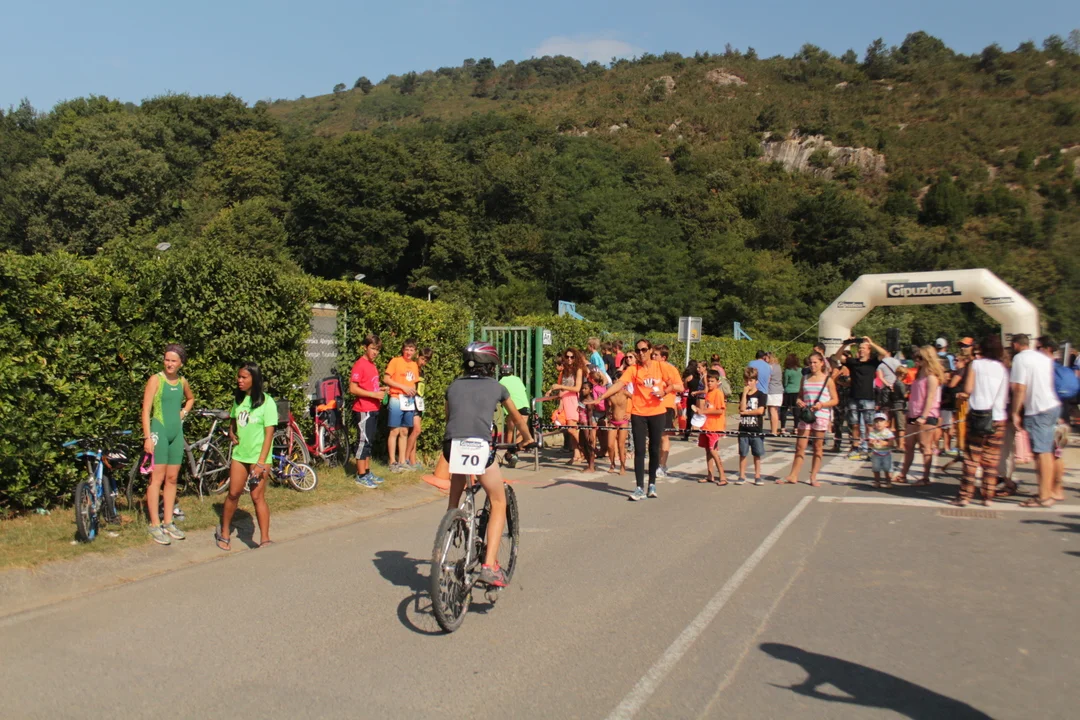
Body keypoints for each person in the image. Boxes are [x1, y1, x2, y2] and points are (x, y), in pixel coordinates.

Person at [444, 342, 534, 587]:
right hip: (478, 447)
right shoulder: (497, 387)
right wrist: (527, 438)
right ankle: (489, 565)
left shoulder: (453, 386)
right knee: (498, 501)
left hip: (452, 445)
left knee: (459, 474)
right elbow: (517, 418)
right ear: (491, 366)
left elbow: (449, 418)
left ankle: (452, 517)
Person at [586, 338, 683, 501]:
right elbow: (619, 384)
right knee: (639, 450)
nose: (641, 353)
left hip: (657, 413)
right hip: (638, 413)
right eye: (638, 350)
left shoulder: (662, 367)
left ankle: (652, 484)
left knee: (654, 449)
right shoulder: (634, 369)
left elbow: (679, 386)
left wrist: (666, 390)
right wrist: (601, 397)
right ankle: (639, 487)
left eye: (644, 350)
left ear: (650, 350)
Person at [217, 362, 277, 550]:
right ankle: (224, 531)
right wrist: (232, 430)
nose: (239, 380)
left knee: (257, 496)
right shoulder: (239, 399)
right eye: (239, 377)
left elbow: (269, 434)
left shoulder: (268, 402)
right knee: (233, 493)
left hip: (259, 458)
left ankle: (265, 539)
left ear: (254, 379)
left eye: (244, 377)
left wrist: (261, 463)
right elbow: (234, 418)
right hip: (240, 456)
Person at [140, 344, 195, 545]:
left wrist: (183, 412)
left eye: (173, 360)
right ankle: (155, 524)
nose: (169, 364)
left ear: (181, 363)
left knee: (172, 478)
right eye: (167, 360)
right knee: (157, 479)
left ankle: (168, 521)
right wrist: (148, 437)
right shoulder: (156, 379)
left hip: (176, 433)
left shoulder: (182, 381)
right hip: (159, 431)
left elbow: (190, 399)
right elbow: (146, 410)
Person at [956, 334, 1009, 506]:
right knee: (991, 460)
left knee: (971, 457)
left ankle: (965, 496)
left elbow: (968, 389)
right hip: (998, 416)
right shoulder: (1002, 368)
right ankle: (988, 497)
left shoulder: (976, 364)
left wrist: (963, 395)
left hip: (978, 414)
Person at [1012, 334, 1062, 507]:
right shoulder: (1043, 358)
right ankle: (1049, 491)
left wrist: (1015, 412)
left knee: (1041, 454)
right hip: (1051, 405)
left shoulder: (1020, 359)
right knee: (1049, 452)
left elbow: (1019, 388)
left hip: (1037, 409)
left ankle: (1044, 496)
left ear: (1016, 345)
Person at [783, 352, 838, 486]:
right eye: (810, 363)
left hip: (821, 415)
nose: (812, 365)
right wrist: (799, 401)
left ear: (821, 363)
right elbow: (800, 396)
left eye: (815, 362)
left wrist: (822, 405)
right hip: (806, 415)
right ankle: (793, 475)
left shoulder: (828, 380)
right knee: (800, 446)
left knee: (817, 446)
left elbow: (835, 400)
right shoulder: (805, 378)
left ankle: (813, 476)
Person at [894, 346, 944, 487]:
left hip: (927, 415)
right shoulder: (918, 375)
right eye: (916, 358)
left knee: (925, 446)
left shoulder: (932, 377)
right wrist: (909, 412)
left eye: (920, 358)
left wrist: (924, 415)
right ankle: (903, 474)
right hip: (913, 413)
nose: (917, 361)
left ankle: (925, 477)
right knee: (909, 445)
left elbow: (930, 398)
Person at [833, 336, 888, 461]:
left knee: (870, 425)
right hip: (854, 397)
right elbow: (837, 357)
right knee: (854, 425)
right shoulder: (853, 362)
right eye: (860, 348)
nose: (861, 350)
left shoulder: (873, 362)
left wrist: (871, 342)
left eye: (864, 348)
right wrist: (846, 344)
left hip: (868, 398)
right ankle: (856, 447)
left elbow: (884, 354)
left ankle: (870, 449)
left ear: (868, 350)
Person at [349, 334, 387, 488]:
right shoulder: (360, 364)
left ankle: (367, 471)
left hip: (374, 408)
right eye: (372, 348)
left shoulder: (372, 365)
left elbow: (369, 385)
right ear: (365, 347)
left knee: (369, 442)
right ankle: (361, 475)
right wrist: (373, 395)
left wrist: (381, 390)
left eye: (377, 349)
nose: (375, 352)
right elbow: (353, 388)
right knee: (363, 442)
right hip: (364, 409)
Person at [383, 339, 421, 473]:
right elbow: (386, 379)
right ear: (403, 350)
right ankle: (392, 461)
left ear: (414, 351)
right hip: (396, 398)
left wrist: (413, 391)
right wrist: (402, 387)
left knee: (405, 431)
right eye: (407, 349)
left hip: (408, 401)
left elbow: (413, 382)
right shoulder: (395, 361)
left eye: (411, 350)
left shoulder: (414, 365)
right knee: (394, 431)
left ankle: (402, 461)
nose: (409, 352)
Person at [549, 347, 585, 465]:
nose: (569, 359)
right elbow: (562, 387)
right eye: (567, 357)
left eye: (572, 357)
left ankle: (583, 451)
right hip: (565, 400)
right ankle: (577, 454)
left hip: (573, 399)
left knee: (572, 429)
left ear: (575, 358)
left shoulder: (578, 370)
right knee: (571, 430)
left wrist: (561, 387)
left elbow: (577, 388)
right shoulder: (565, 370)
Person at [693, 370, 727, 485]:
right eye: (708, 381)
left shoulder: (718, 393)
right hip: (706, 426)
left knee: (713, 451)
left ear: (717, 382)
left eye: (712, 381)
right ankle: (710, 475)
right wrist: (699, 412)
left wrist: (704, 411)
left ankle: (722, 476)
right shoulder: (708, 393)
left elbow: (720, 410)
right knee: (708, 451)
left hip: (714, 427)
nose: (710, 383)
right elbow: (707, 409)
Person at [737, 367, 767, 485]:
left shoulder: (761, 395)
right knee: (743, 453)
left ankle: (757, 475)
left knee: (757, 454)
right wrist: (745, 394)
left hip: (756, 429)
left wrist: (747, 413)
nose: (748, 383)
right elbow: (742, 408)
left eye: (751, 380)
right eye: (747, 380)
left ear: (756, 381)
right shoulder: (743, 395)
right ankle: (742, 475)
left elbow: (760, 411)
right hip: (744, 428)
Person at [498, 363, 530, 468]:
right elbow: (523, 390)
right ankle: (515, 452)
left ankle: (509, 452)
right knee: (521, 431)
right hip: (525, 406)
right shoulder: (517, 379)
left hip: (513, 408)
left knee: (510, 431)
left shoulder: (501, 382)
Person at [656, 345, 680, 476]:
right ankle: (656, 463)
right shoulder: (650, 368)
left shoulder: (671, 369)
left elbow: (680, 387)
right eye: (652, 355)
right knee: (655, 436)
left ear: (663, 357)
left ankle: (662, 465)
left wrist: (668, 387)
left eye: (656, 355)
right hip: (652, 406)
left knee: (663, 436)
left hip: (666, 405)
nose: (653, 357)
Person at [606, 367, 630, 475]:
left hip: (623, 422)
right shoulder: (610, 394)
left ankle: (622, 466)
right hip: (613, 421)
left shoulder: (626, 393)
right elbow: (606, 405)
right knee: (610, 445)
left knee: (621, 445)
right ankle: (612, 464)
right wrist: (608, 413)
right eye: (614, 382)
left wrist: (629, 413)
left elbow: (636, 401)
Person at [867, 412, 895, 489]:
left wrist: (885, 443)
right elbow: (869, 444)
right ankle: (877, 482)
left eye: (881, 421)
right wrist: (871, 443)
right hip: (876, 454)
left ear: (886, 423)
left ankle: (888, 482)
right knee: (876, 468)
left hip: (887, 454)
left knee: (888, 468)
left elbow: (892, 443)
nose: (878, 423)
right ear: (873, 424)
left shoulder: (888, 432)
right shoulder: (872, 433)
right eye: (876, 421)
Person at [682, 359, 704, 442]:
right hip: (700, 397)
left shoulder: (689, 377)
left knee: (689, 416)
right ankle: (700, 433)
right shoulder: (700, 377)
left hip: (691, 396)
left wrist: (686, 381)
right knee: (700, 415)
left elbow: (685, 387)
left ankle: (686, 434)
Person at [781, 353, 802, 432]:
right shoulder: (800, 370)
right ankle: (796, 428)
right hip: (797, 392)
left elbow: (785, 383)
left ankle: (783, 427)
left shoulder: (787, 371)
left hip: (788, 392)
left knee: (784, 410)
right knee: (796, 411)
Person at [766, 351, 784, 435]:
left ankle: (773, 430)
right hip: (779, 390)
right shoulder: (778, 366)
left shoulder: (770, 367)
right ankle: (774, 429)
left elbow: (768, 379)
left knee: (772, 411)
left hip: (772, 391)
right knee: (775, 411)